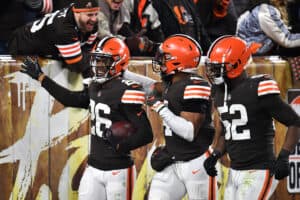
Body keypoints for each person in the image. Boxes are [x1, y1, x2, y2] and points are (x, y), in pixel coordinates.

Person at [19, 36, 154, 200]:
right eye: (96, 60)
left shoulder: (127, 90)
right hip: (94, 167)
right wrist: (42, 78)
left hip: (118, 170)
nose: (97, 65)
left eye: (103, 61)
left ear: (118, 62)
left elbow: (146, 133)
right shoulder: (95, 85)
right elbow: (70, 99)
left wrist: (121, 146)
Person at [203, 35, 300, 200]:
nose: (213, 72)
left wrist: (284, 156)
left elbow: (294, 121)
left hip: (259, 169)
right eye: (212, 67)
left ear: (237, 64)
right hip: (235, 171)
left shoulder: (259, 87)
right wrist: (216, 154)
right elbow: (230, 129)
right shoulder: (219, 91)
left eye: (218, 67)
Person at [143, 34, 216, 200]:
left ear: (178, 60)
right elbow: (150, 86)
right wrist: (122, 74)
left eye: (164, 57)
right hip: (174, 161)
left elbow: (189, 132)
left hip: (196, 162)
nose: (160, 61)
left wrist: (161, 108)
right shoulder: (174, 83)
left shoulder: (195, 85)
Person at [8, 0, 100, 78]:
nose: (94, 19)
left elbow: (88, 50)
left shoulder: (88, 22)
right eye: (90, 15)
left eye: (96, 14)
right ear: (77, 12)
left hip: (47, 46)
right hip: (23, 44)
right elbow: (77, 66)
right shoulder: (64, 29)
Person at [97, 0, 164, 56]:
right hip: (94, 51)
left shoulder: (121, 7)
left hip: (108, 52)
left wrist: (136, 41)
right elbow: (103, 36)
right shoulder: (98, 5)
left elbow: (115, 33)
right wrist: (126, 41)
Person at [236, 0, 300, 56]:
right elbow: (287, 40)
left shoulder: (264, 7)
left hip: (253, 52)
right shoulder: (266, 11)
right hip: (251, 56)